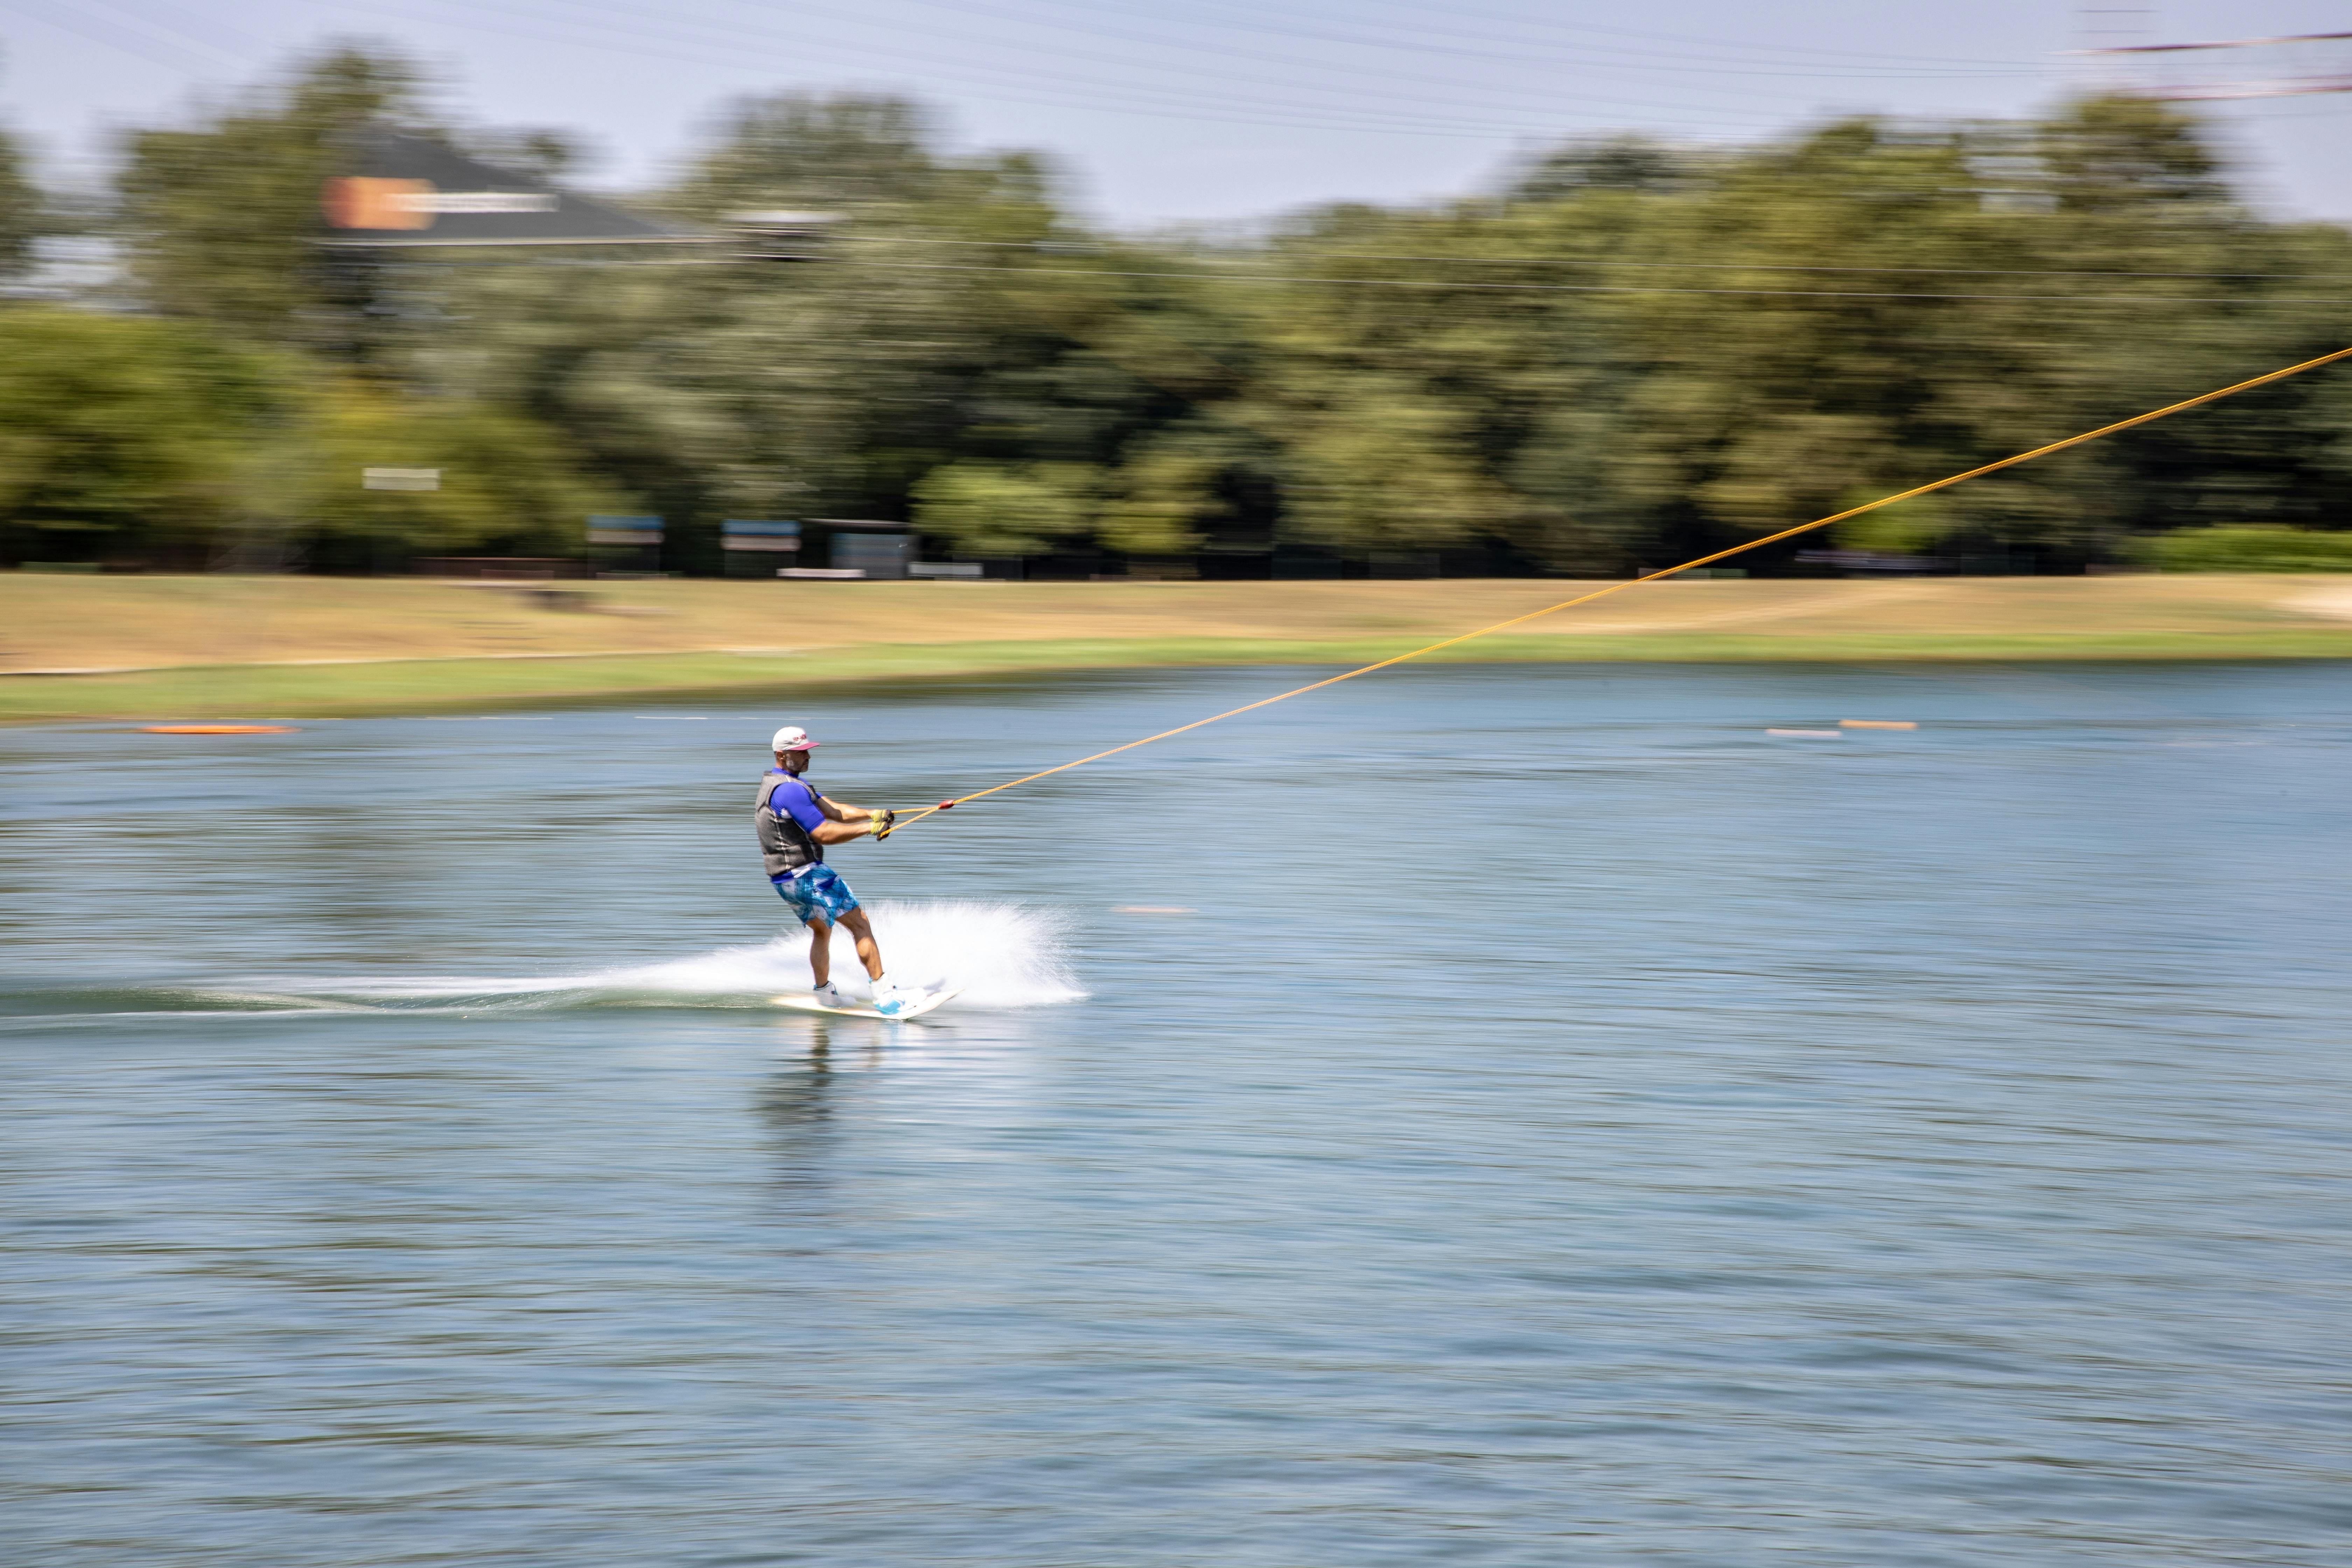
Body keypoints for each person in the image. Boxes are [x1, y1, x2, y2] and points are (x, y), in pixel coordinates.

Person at [755, 725, 916, 1016]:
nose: (807, 757)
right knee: (860, 925)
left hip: (783, 880)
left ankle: (824, 994)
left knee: (822, 930)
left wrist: (872, 814)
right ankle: (886, 996)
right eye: (800, 753)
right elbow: (824, 832)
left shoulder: (783, 784)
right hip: (808, 875)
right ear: (781, 755)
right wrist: (869, 829)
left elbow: (833, 810)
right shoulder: (790, 791)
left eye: (808, 751)